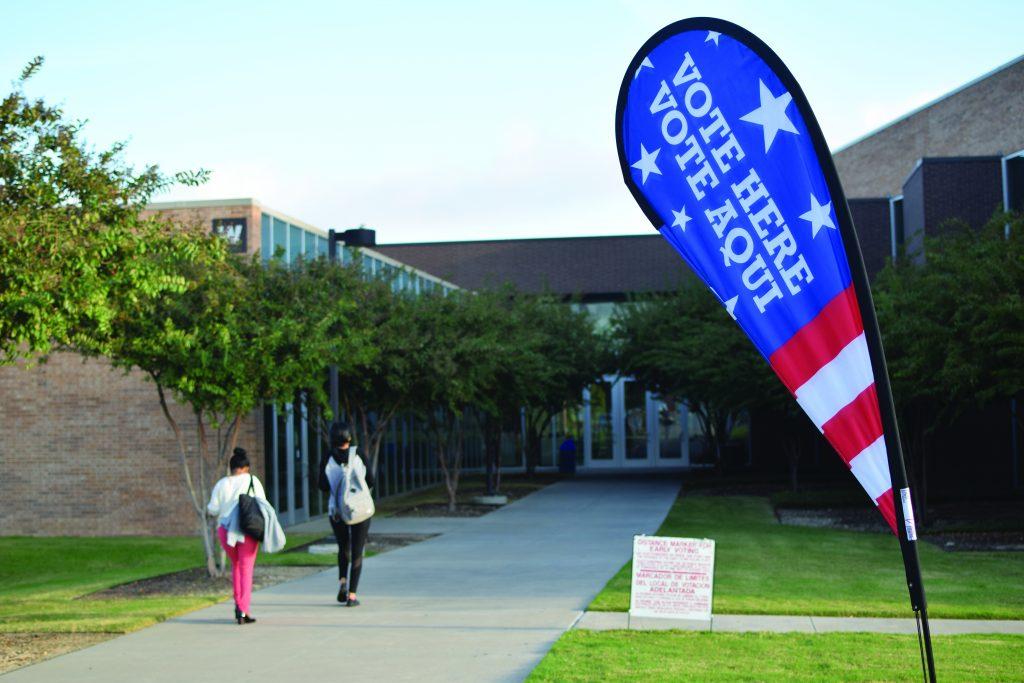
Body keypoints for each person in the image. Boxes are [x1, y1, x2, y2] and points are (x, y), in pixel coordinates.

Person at [207, 447, 266, 624]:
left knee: (236, 566)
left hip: (225, 531)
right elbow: (262, 502)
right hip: (247, 530)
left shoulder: (221, 484)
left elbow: (212, 509)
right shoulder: (252, 481)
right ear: (246, 468)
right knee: (246, 569)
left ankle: (239, 605)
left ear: (231, 468)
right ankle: (242, 609)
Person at [318, 422, 374, 606]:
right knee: (358, 551)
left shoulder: (327, 457)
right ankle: (352, 595)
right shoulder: (358, 454)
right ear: (349, 438)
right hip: (360, 510)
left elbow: (322, 486)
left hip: (337, 510)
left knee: (344, 547)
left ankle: (342, 581)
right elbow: (371, 480)